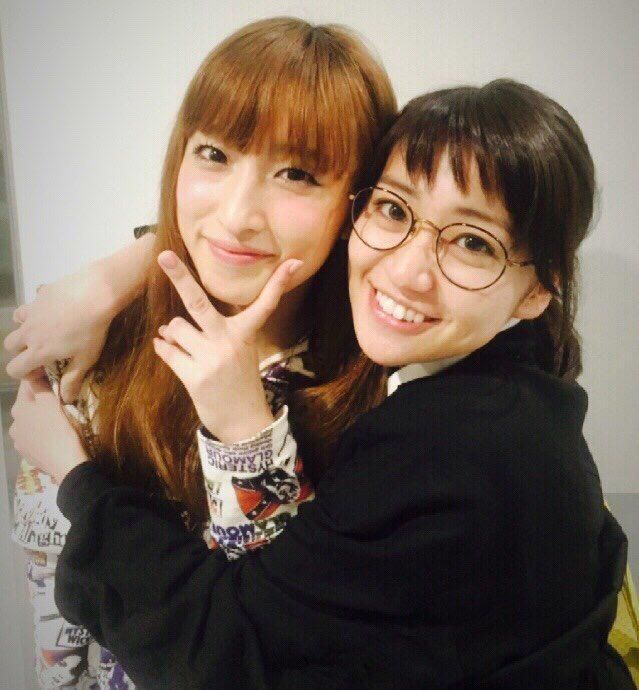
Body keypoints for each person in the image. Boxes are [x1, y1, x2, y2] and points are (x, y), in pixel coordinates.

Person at [9, 79, 634, 688]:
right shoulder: (510, 377)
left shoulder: (445, 447)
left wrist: (81, 472)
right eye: (395, 209)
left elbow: (231, 656)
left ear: (537, 291)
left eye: (473, 242)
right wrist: (109, 280)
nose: (407, 273)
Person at [5, 16, 397, 688]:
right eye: (214, 154)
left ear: (353, 206)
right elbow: (59, 609)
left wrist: (246, 435)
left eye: (296, 173)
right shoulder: (99, 344)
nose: (237, 214)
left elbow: (296, 639)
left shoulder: (377, 392)